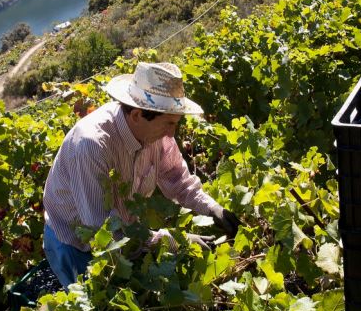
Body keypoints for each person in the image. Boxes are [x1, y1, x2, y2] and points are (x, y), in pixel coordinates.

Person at [42, 61, 241, 287]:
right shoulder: (91, 146)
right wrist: (172, 241)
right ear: (137, 115)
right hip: (76, 244)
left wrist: (211, 208)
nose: (172, 132)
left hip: (126, 232)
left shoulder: (157, 134)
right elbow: (103, 230)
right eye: (168, 123)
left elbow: (178, 181)